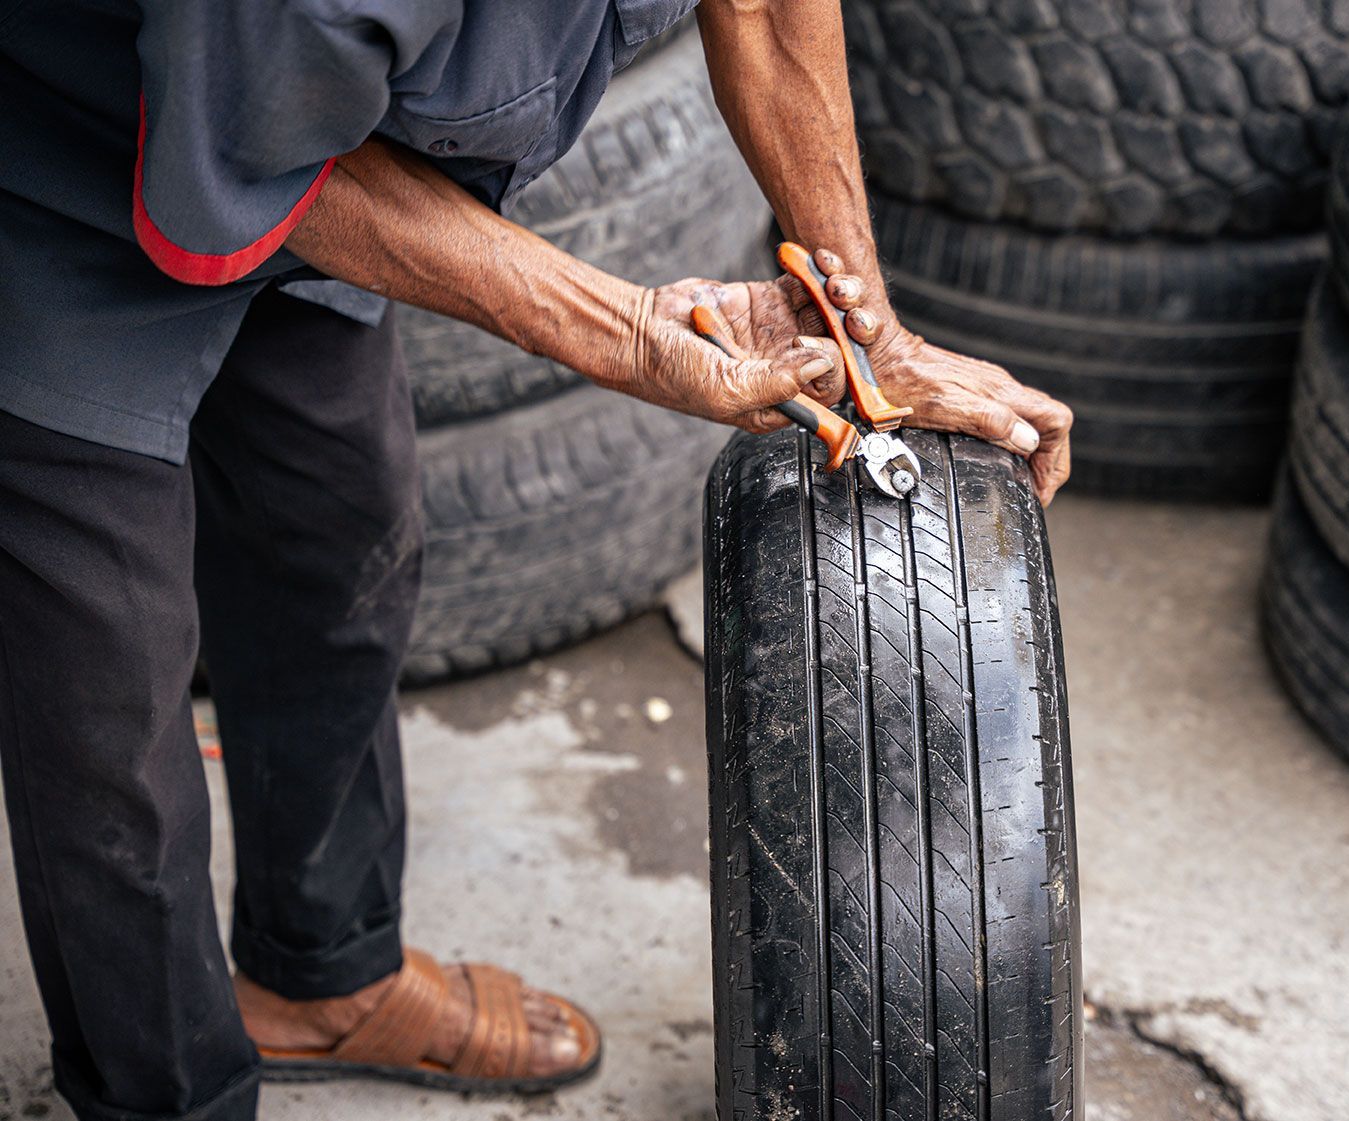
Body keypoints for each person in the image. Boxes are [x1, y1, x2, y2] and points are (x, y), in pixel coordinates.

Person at [0, 0, 1073, 1116]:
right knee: (103, 711)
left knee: (335, 538)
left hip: (294, 129)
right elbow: (241, 177)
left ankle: (320, 975)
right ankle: (163, 1098)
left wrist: (872, 340)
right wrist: (627, 333)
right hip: (53, 175)